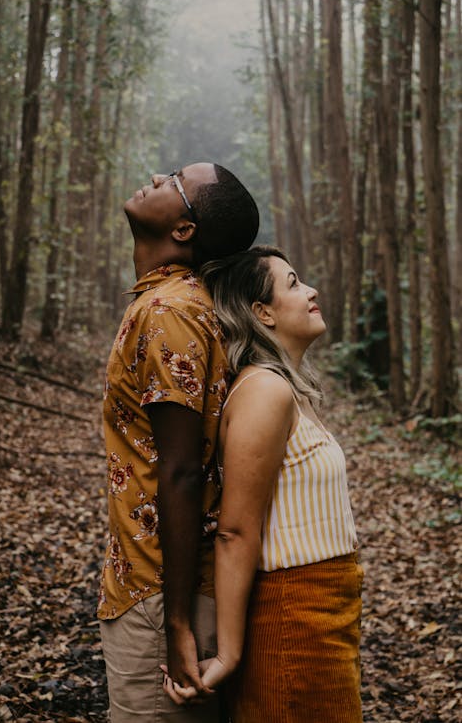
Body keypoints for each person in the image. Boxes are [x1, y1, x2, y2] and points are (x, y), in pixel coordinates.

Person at [163, 245, 363, 722]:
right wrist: (230, 655)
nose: (311, 290)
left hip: (326, 612)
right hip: (292, 618)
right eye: (294, 283)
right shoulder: (265, 392)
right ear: (262, 313)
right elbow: (235, 530)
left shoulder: (288, 388)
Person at [97, 162, 259, 723]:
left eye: (172, 180)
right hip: (149, 582)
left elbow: (185, 470)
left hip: (161, 591)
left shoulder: (171, 312)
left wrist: (177, 622)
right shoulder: (165, 302)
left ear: (185, 229)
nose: (155, 177)